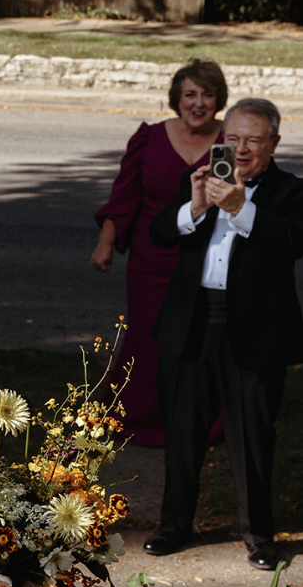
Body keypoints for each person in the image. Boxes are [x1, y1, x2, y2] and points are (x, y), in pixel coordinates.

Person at [145, 98, 303, 570]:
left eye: (253, 140)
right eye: (231, 139)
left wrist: (242, 209)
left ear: (273, 143)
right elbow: (159, 234)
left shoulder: (291, 192)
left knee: (253, 437)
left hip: (253, 335)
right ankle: (173, 525)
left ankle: (258, 535)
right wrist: (194, 206)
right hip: (191, 326)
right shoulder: (201, 178)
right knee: (182, 433)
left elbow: (294, 242)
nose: (240, 149)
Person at [91, 59, 227, 445]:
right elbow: (124, 195)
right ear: (176, 99)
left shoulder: (227, 142)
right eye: (190, 94)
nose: (198, 103)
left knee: (198, 340)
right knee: (147, 340)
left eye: (207, 94)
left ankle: (198, 418)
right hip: (149, 260)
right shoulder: (149, 137)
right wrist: (105, 243)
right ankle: (138, 418)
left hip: (206, 259)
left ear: (219, 99)